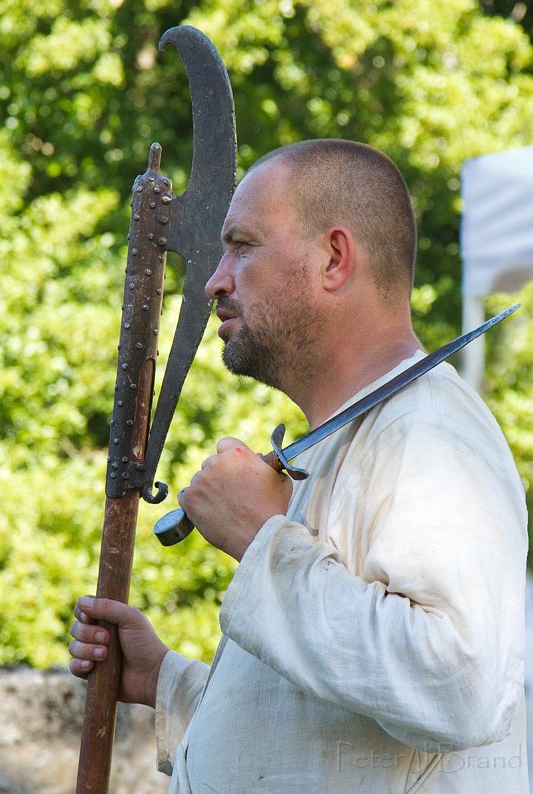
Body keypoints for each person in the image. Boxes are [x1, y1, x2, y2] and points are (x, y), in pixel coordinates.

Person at [70, 139, 528, 792]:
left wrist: (261, 539)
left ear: (334, 258)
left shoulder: (428, 437)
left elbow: (459, 686)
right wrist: (163, 680)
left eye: (243, 245)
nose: (214, 280)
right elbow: (322, 745)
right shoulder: (349, 440)